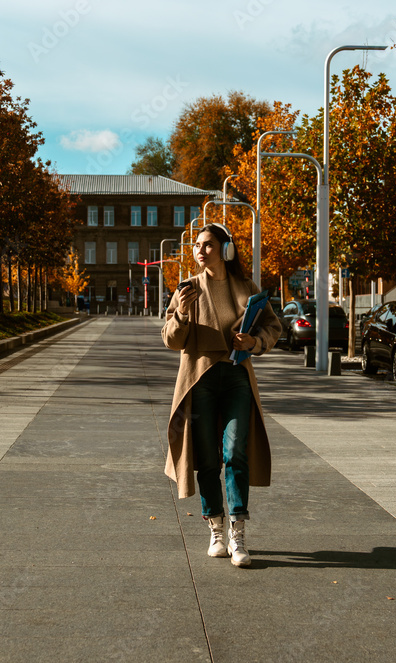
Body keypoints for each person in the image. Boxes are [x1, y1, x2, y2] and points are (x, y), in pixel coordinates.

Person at [161, 223, 282, 567]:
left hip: (235, 379)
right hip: (198, 381)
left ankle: (237, 532)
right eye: (197, 245)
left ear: (226, 249)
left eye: (208, 245)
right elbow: (171, 340)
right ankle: (215, 527)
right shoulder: (187, 289)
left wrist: (254, 342)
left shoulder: (246, 287)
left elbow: (273, 327)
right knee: (207, 459)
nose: (200, 250)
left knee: (235, 451)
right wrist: (182, 314)